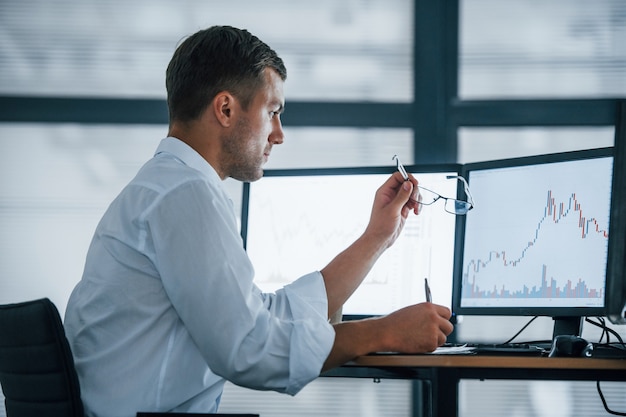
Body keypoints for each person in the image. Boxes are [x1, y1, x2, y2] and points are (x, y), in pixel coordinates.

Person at [63, 25, 453, 417]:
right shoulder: (185, 195)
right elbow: (249, 350)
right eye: (273, 112)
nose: (279, 134)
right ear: (226, 109)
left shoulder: (166, 187)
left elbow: (258, 318)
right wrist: (381, 332)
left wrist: (378, 238)